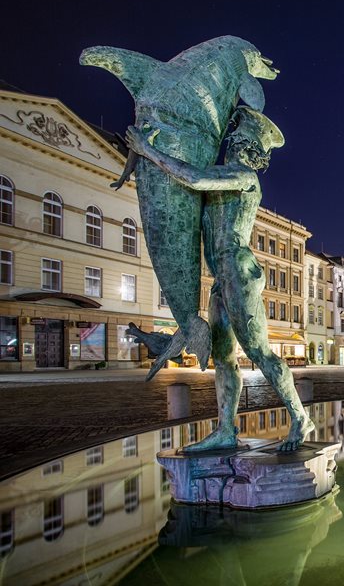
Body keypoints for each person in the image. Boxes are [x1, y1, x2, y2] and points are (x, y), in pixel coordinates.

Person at [126, 107, 313, 452]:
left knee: (259, 351)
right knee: (224, 357)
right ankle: (226, 428)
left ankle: (300, 418)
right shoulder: (228, 173)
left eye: (239, 140)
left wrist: (147, 150)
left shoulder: (244, 177)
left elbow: (195, 179)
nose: (232, 144)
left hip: (238, 272)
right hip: (219, 277)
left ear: (250, 151)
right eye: (234, 138)